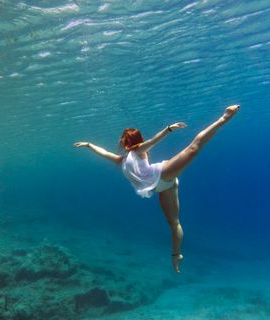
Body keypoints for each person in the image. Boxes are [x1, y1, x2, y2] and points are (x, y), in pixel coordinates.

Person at [74, 105, 240, 273]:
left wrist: (169, 129)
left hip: (163, 174)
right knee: (173, 223)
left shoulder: (138, 150)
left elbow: (153, 140)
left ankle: (224, 117)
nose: (122, 143)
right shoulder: (120, 160)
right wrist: (89, 145)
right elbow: (103, 152)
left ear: (128, 142)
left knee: (193, 147)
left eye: (124, 140)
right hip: (162, 187)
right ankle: (176, 256)